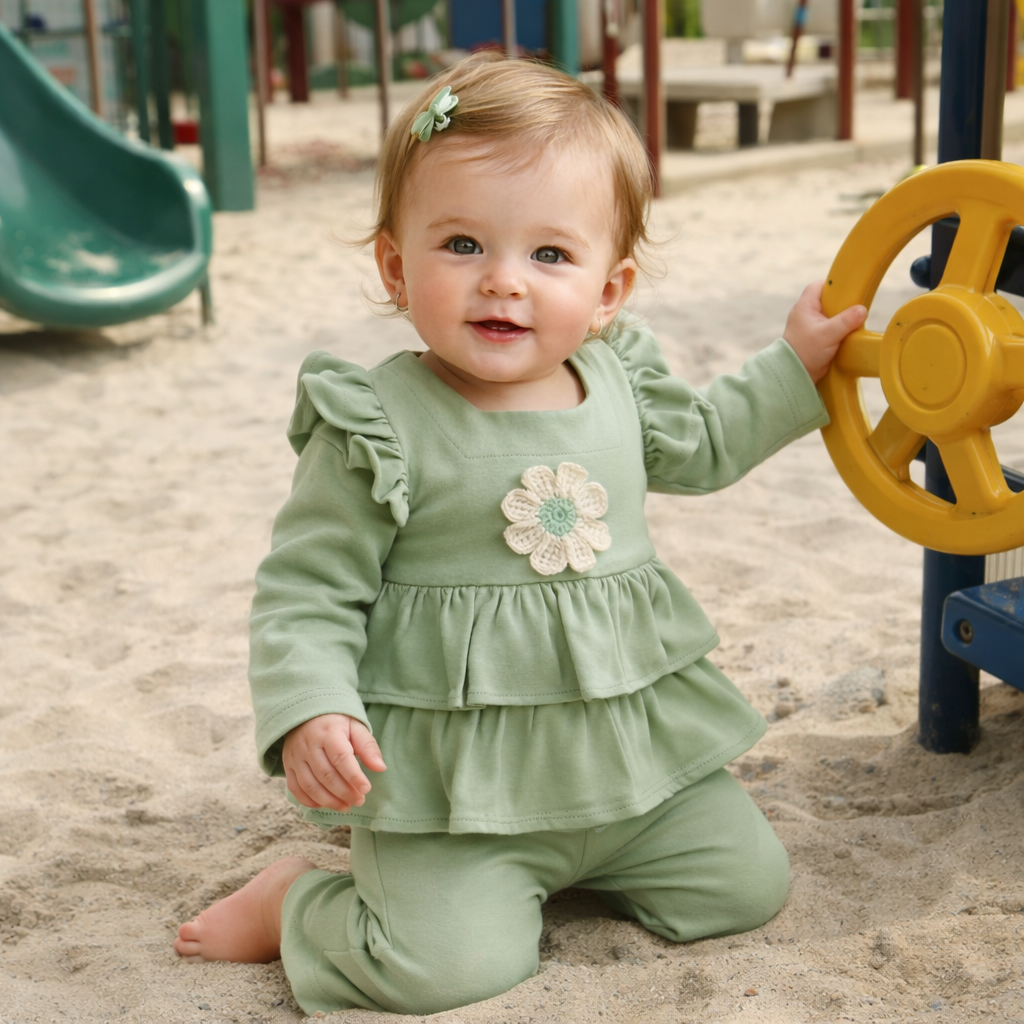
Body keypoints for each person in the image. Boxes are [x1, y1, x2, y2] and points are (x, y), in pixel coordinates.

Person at [174, 54, 867, 1015]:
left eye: (550, 255)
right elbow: (309, 587)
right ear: (393, 263)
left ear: (610, 289)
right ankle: (305, 901)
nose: (504, 281)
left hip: (628, 772)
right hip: (456, 797)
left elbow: (706, 445)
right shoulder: (377, 422)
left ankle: (566, 867)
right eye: (461, 243)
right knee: (446, 973)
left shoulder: (619, 380)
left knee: (744, 887)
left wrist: (795, 363)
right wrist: (310, 708)